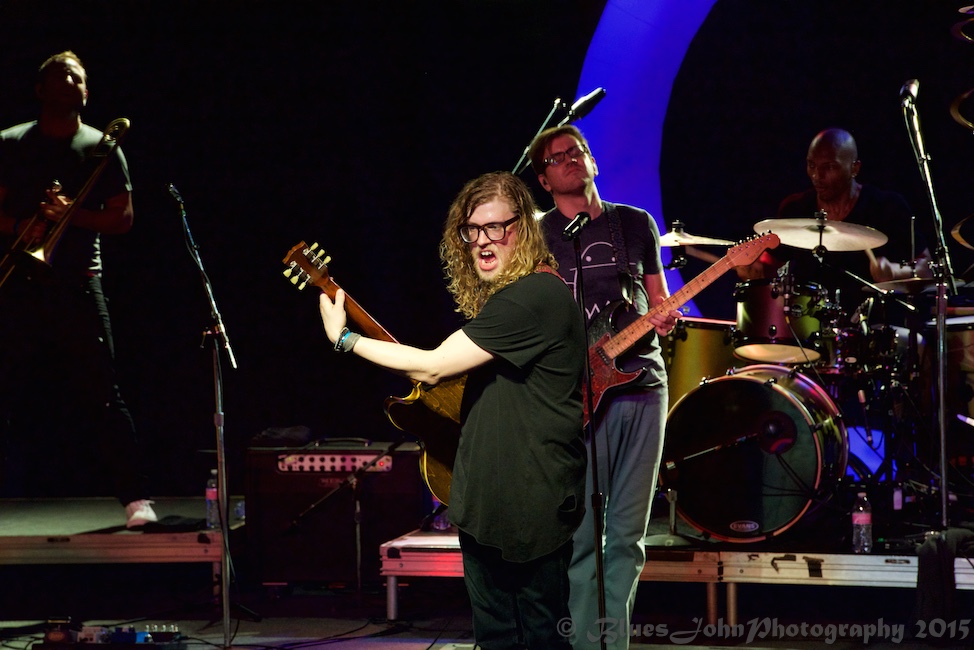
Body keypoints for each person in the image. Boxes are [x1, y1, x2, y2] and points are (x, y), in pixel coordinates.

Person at [320, 171, 587, 649]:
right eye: (472, 230)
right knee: (496, 638)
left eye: (495, 228)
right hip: (490, 501)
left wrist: (345, 340)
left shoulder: (535, 297)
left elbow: (431, 367)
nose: (482, 242)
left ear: (522, 228)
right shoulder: (508, 300)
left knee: (541, 637)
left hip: (532, 502)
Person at [527, 125, 680, 650]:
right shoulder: (534, 235)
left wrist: (665, 321)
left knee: (627, 538)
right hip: (574, 397)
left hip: (642, 386)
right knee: (581, 537)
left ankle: (613, 645)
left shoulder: (634, 223)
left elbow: (659, 301)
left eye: (579, 151)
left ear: (593, 161)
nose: (573, 159)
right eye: (559, 157)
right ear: (544, 178)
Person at [0, 51, 156, 528]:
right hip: (18, 284)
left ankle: (136, 502)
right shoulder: (10, 142)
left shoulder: (102, 147)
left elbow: (123, 219)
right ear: (41, 89)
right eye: (60, 75)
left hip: (79, 285)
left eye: (79, 77)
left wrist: (68, 215)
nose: (71, 81)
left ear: (86, 93)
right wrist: (23, 225)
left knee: (103, 394)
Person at [737, 127, 932, 317]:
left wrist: (895, 272)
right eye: (811, 165)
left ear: (854, 168)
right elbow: (770, 266)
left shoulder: (886, 207)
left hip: (874, 328)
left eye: (829, 167)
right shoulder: (795, 209)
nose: (816, 176)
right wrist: (753, 270)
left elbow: (928, 267)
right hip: (810, 329)